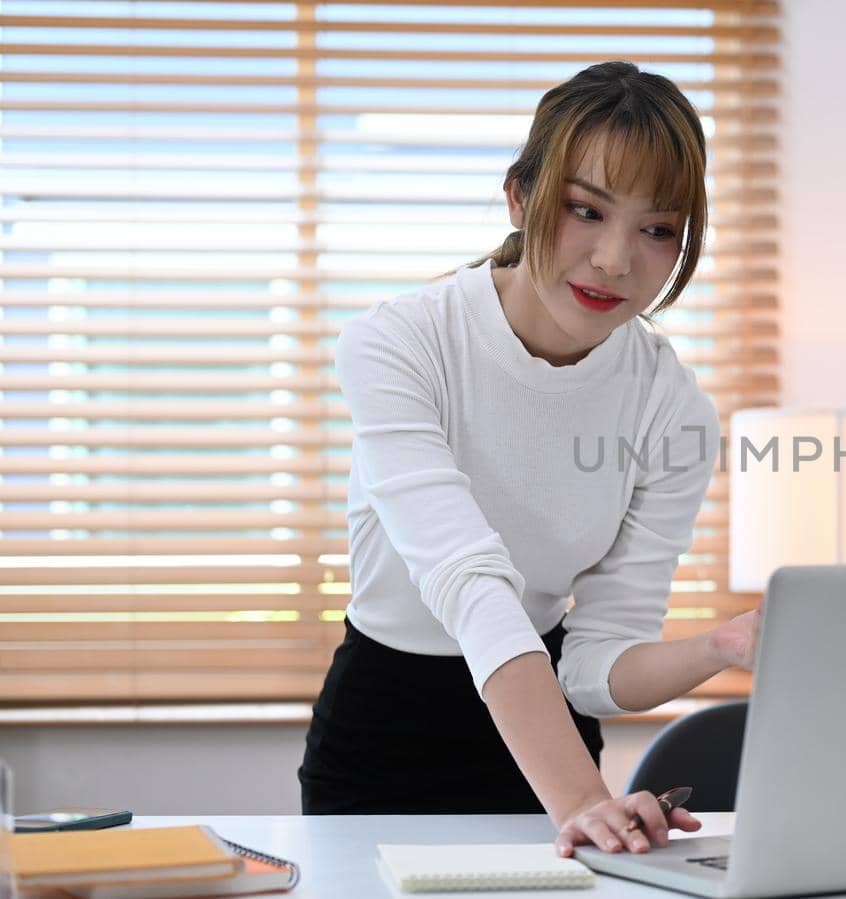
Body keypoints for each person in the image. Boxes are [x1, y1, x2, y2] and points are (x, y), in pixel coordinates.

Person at [298, 61, 759, 859]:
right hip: (383, 734)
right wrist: (582, 796)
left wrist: (719, 648)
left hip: (548, 740)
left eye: (658, 229)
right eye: (587, 210)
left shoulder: (672, 408)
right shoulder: (401, 343)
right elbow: (468, 581)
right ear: (521, 196)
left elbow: (593, 665)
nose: (616, 260)